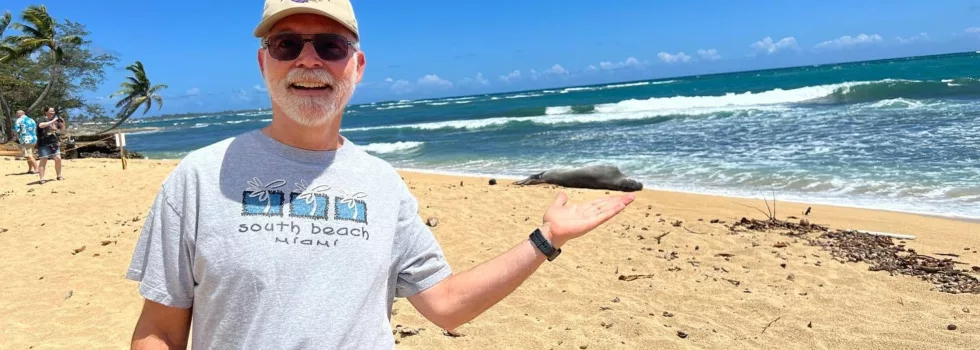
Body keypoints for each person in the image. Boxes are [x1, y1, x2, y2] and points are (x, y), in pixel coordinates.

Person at [125, 1, 636, 349]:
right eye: (287, 45)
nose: (309, 60)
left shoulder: (383, 184)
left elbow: (447, 306)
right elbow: (160, 331)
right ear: (264, 63)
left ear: (357, 66)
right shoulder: (199, 177)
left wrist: (545, 239)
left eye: (330, 46)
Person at [35, 107, 65, 183]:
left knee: (58, 159)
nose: (53, 112)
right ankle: (42, 178)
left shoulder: (55, 121)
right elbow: (41, 125)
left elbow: (62, 130)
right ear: (45, 112)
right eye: (51, 111)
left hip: (54, 142)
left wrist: (62, 123)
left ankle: (59, 175)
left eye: (53, 111)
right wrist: (52, 121)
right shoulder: (42, 119)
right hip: (43, 143)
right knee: (43, 159)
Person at [13, 110, 38, 174]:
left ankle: (37, 169)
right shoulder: (32, 120)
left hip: (26, 139)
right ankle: (30, 169)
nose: (16, 115)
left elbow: (16, 130)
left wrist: (15, 137)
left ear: (19, 114)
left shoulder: (19, 120)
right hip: (34, 139)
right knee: (28, 155)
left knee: (29, 155)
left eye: (17, 114)